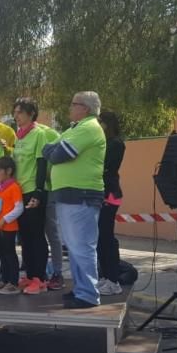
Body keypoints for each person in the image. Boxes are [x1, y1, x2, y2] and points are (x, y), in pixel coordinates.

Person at [42, 91, 107, 309]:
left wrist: (53, 150)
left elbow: (58, 153)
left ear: (85, 109)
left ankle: (88, 294)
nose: (69, 107)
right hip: (70, 195)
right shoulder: (75, 128)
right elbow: (50, 148)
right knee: (74, 245)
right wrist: (53, 149)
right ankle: (81, 289)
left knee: (82, 245)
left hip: (82, 195)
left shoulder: (89, 127)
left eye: (73, 104)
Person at [10, 97, 54, 294]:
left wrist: (38, 192)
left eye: (19, 112)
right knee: (25, 237)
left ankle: (40, 278)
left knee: (36, 236)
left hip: (33, 192)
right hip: (19, 192)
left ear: (30, 114)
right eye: (15, 112)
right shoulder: (19, 136)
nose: (16, 116)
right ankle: (29, 275)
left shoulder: (39, 134)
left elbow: (42, 164)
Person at [95, 110, 128, 296]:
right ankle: (105, 276)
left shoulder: (116, 144)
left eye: (99, 122)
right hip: (101, 193)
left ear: (106, 124)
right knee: (100, 238)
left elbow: (106, 167)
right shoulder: (104, 143)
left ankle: (113, 279)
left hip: (110, 194)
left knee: (107, 237)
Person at [0, 158, 25, 295]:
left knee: (10, 254)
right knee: (2, 254)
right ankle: (4, 279)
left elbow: (19, 207)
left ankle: (13, 282)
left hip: (8, 227)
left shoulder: (14, 187)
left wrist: (5, 219)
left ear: (8, 171)